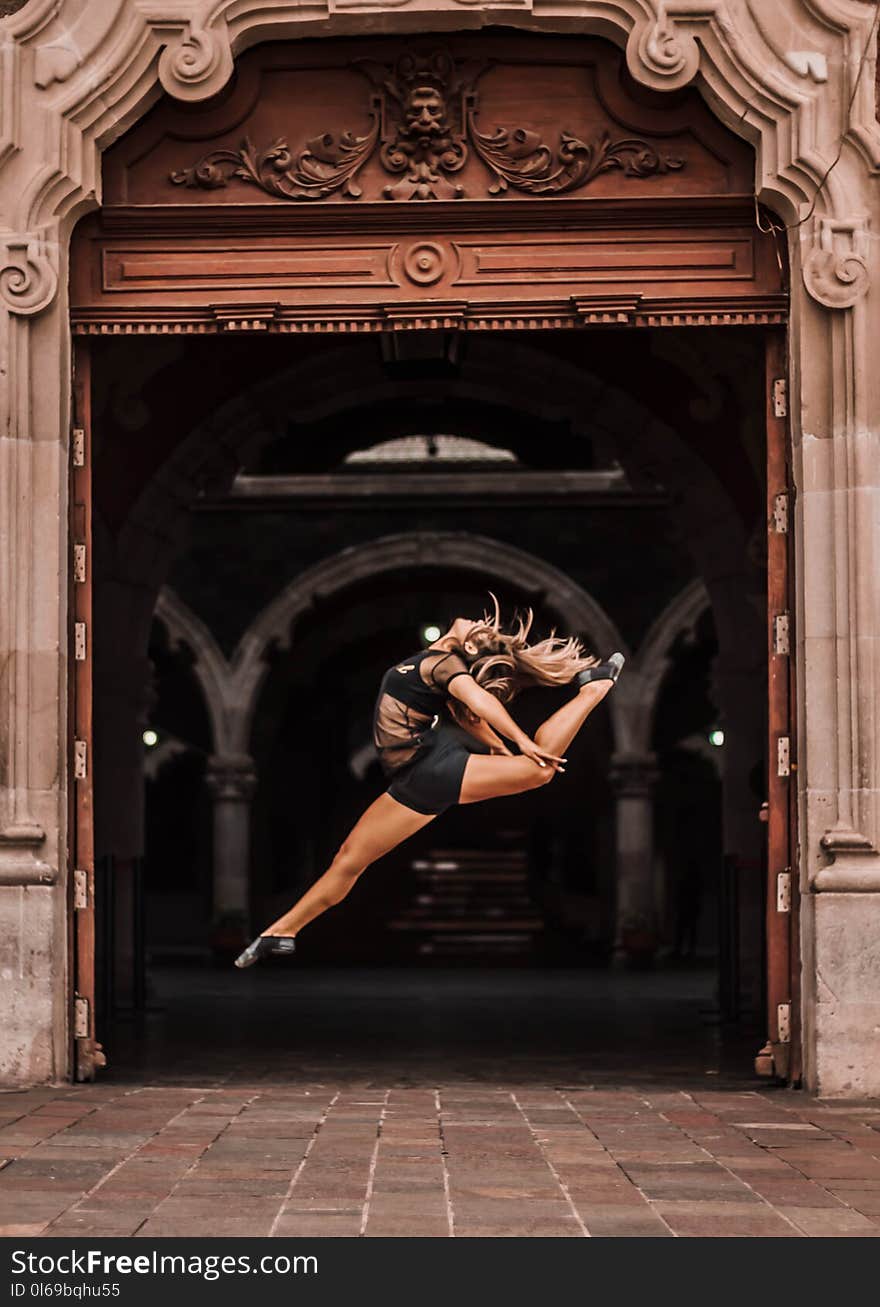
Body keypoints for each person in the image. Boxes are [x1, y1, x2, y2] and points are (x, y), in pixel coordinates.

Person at [235, 596, 624, 967]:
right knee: (348, 861)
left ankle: (592, 688)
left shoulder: (446, 664)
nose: (472, 621)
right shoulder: (432, 664)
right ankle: (282, 931)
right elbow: (472, 720)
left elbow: (480, 703)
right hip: (412, 781)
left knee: (538, 771)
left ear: (467, 643)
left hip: (430, 767)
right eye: (474, 622)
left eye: (475, 624)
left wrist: (521, 745)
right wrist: (506, 755)